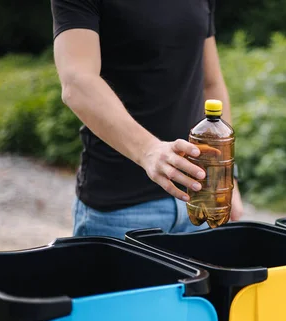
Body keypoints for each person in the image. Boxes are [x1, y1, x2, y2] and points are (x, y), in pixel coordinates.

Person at [50, 0, 243, 239]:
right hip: (121, 209)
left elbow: (211, 84)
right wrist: (149, 150)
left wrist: (226, 175)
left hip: (200, 200)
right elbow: (77, 82)